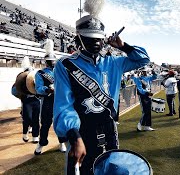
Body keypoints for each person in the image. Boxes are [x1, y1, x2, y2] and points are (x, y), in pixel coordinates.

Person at [53, 14, 150, 174]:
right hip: (82, 131)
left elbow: (143, 60)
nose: (96, 42)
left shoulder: (114, 62)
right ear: (79, 38)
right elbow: (64, 106)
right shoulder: (65, 65)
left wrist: (123, 46)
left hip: (109, 129)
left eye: (99, 38)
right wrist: (74, 135)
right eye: (90, 38)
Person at [34, 42, 67, 155]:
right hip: (48, 101)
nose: (52, 62)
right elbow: (38, 88)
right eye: (50, 60)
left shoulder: (60, 72)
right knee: (46, 124)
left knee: (60, 123)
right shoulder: (40, 73)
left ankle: (62, 143)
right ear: (46, 62)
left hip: (60, 101)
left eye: (53, 60)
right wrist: (48, 89)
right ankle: (41, 143)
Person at [11, 68, 41, 143]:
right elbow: (14, 91)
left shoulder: (36, 79)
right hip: (26, 100)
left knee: (36, 118)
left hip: (36, 100)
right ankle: (25, 133)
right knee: (27, 117)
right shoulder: (21, 82)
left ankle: (35, 136)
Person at [132, 67, 157, 131]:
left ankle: (147, 126)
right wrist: (147, 93)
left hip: (148, 95)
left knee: (148, 110)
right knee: (145, 111)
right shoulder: (138, 79)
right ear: (140, 72)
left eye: (145, 71)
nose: (144, 72)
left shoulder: (148, 77)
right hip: (143, 96)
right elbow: (140, 89)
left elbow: (155, 77)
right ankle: (140, 124)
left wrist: (153, 71)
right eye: (143, 71)